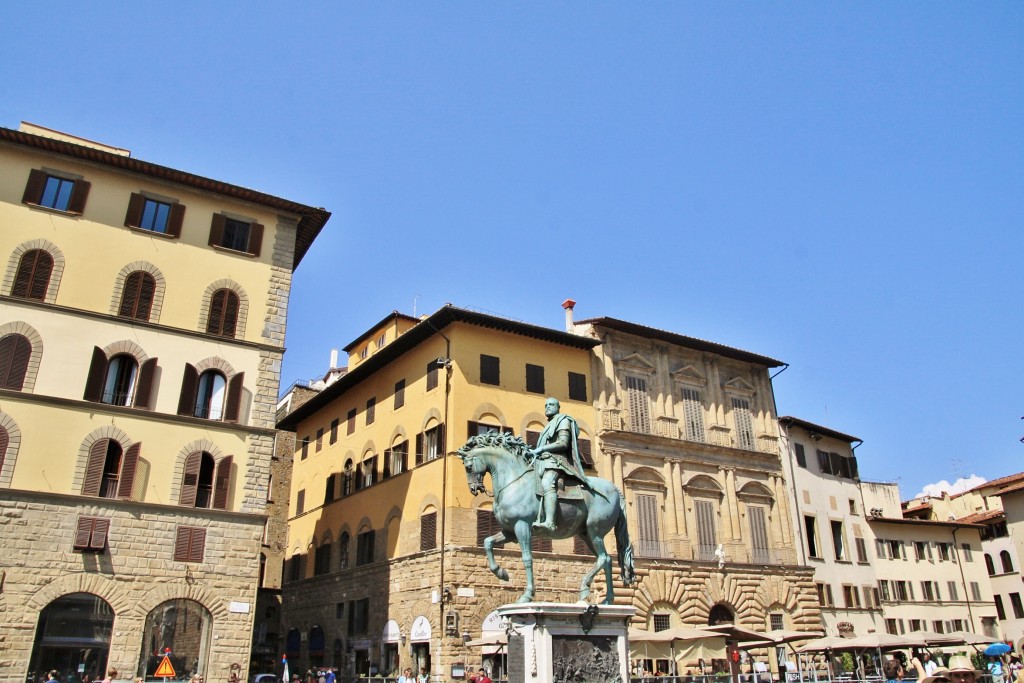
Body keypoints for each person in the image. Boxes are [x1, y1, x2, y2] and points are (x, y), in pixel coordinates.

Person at [527, 397, 589, 531]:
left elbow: (563, 443)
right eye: (546, 405)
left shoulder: (563, 420)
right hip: (543, 462)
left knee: (547, 482)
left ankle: (550, 522)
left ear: (558, 407)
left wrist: (541, 449)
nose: (548, 407)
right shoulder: (549, 425)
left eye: (551, 404)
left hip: (557, 462)